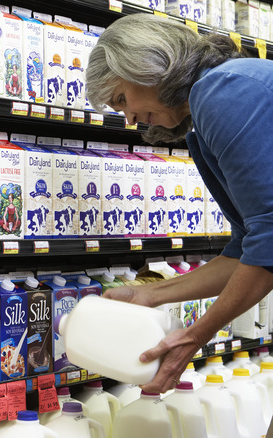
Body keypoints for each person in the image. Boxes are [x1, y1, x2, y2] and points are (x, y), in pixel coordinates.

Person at [86, 12, 273, 408]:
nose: (130, 118)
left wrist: (193, 336)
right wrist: (151, 296)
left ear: (148, 65)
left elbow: (271, 239)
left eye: (121, 99)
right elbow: (246, 249)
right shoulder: (203, 120)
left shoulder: (224, 91)